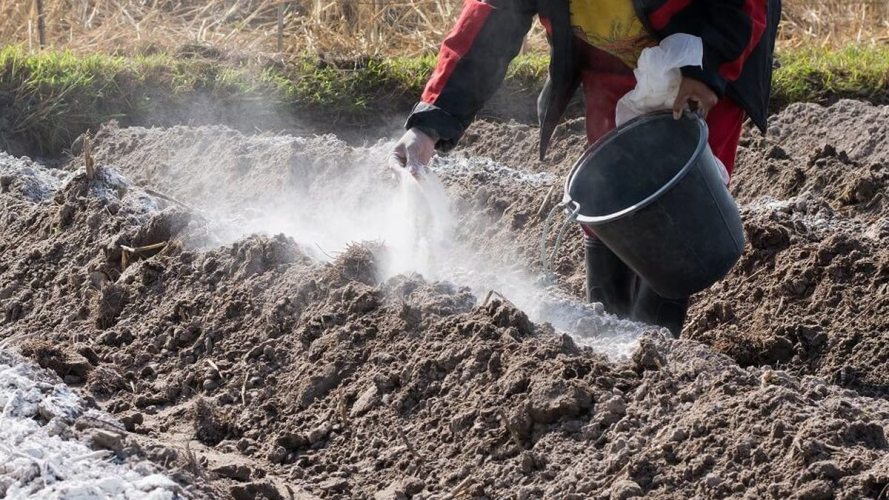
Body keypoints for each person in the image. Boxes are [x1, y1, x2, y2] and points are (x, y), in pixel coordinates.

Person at [389, 0, 781, 337]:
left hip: (706, 49)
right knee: (607, 194)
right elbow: (491, 17)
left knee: (678, 207)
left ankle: (658, 352)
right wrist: (429, 125)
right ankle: (608, 335)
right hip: (610, 58)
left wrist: (708, 66)